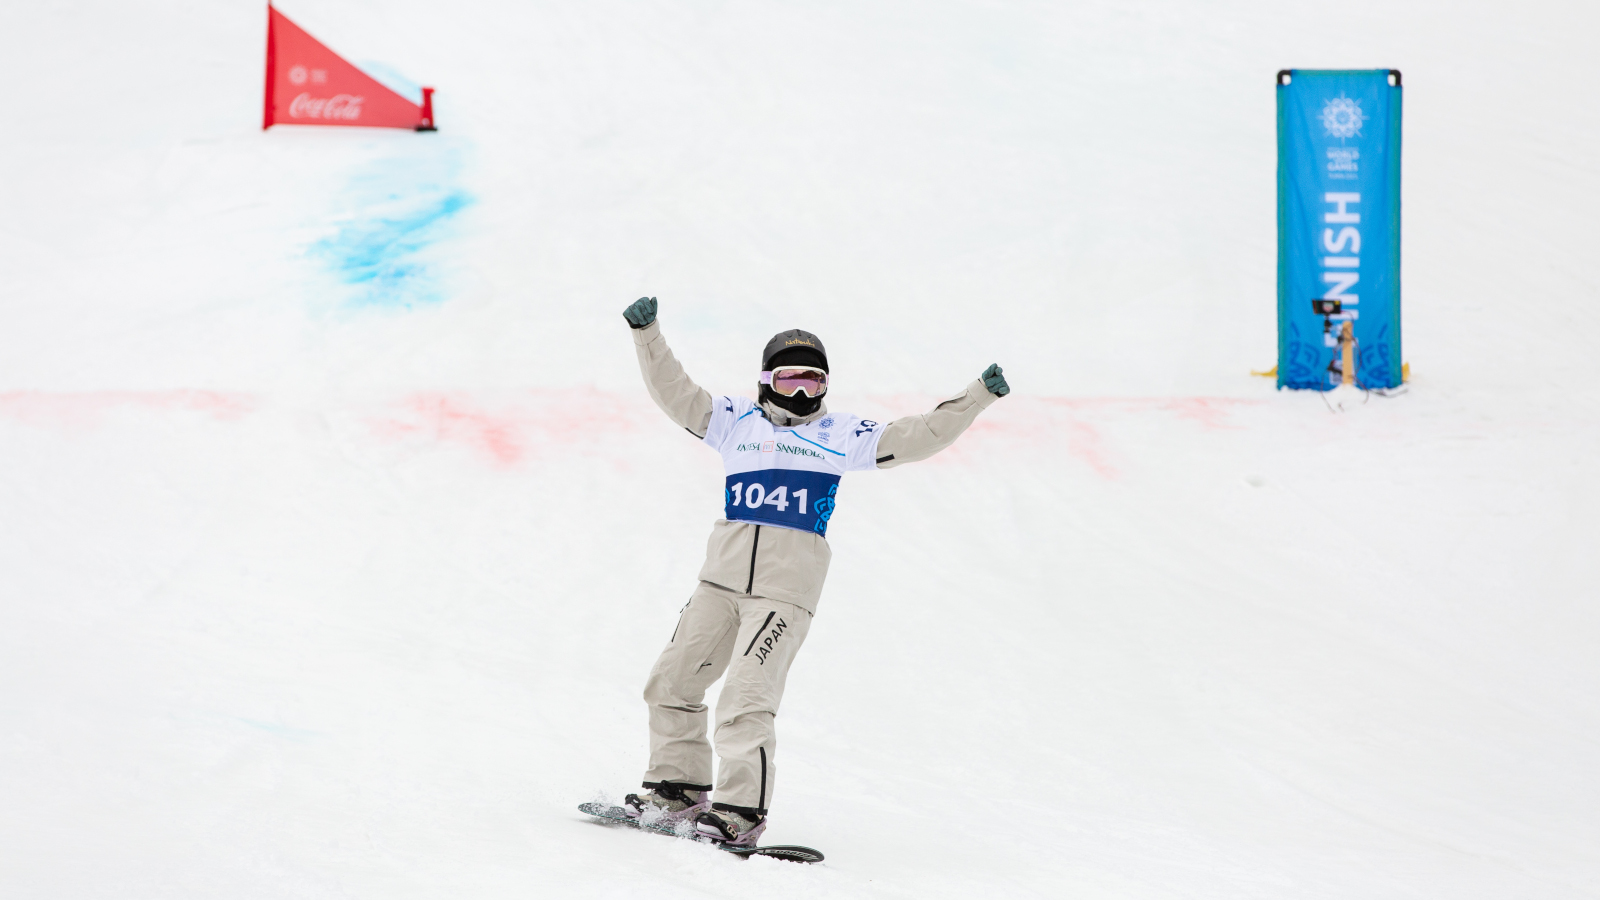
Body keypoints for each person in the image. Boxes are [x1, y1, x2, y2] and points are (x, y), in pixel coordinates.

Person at [617, 295, 1009, 847]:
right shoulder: (734, 422)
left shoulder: (840, 435)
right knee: (672, 682)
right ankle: (676, 790)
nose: (802, 393)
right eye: (791, 379)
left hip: (783, 593)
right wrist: (647, 333)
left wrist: (976, 397)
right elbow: (674, 391)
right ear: (766, 380)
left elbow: (918, 436)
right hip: (719, 584)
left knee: (745, 700)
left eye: (814, 382)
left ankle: (739, 811)